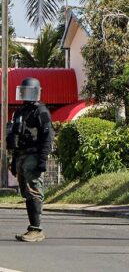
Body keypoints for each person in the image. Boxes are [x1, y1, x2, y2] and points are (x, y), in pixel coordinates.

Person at [6, 77, 54, 242]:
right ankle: (32, 228)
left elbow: (48, 136)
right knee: (27, 192)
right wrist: (13, 160)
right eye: (24, 91)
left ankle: (37, 230)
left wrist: (42, 159)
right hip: (21, 156)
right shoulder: (20, 112)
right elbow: (15, 136)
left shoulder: (41, 111)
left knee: (33, 191)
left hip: (33, 155)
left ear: (36, 92)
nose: (26, 95)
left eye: (29, 91)